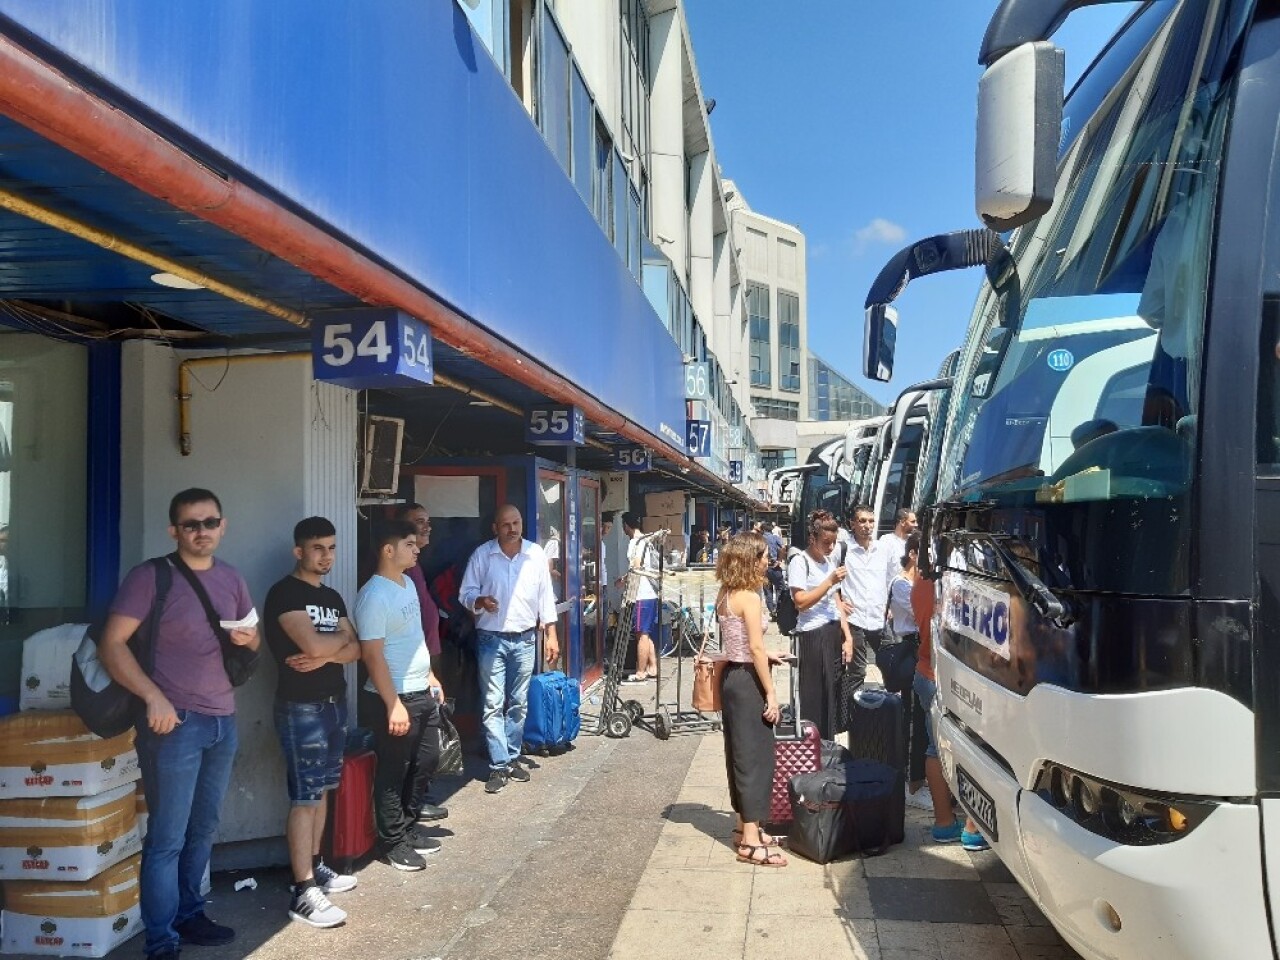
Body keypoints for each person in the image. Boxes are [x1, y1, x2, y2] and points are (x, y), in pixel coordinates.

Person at [100, 488, 258, 960]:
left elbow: (249, 643)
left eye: (210, 522)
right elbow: (112, 644)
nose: (201, 531)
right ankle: (162, 939)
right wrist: (153, 697)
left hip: (221, 720)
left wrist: (250, 642)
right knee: (167, 838)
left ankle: (191, 915)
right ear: (174, 530)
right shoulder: (152, 577)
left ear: (223, 525)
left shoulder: (231, 578)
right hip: (174, 724)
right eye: (191, 524)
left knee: (202, 829)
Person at [264, 517, 360, 929]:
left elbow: (357, 649)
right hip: (300, 707)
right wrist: (331, 646)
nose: (326, 556)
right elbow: (318, 642)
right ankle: (302, 890)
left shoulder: (334, 596)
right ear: (298, 551)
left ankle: (317, 866)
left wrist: (327, 654)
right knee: (304, 798)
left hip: (334, 703)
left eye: (331, 548)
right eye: (318, 548)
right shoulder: (285, 594)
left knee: (321, 791)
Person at [355, 520, 446, 871]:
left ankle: (408, 829)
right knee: (393, 773)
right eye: (410, 544)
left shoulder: (407, 583)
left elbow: (414, 638)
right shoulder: (373, 596)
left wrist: (430, 674)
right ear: (388, 550)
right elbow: (372, 655)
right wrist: (393, 704)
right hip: (393, 700)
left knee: (425, 763)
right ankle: (391, 843)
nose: (417, 548)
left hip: (421, 690)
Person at [458, 505, 559, 795]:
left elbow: (545, 597)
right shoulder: (482, 555)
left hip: (526, 639)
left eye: (516, 522)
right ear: (495, 528)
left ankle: (513, 756)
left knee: (518, 703)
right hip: (491, 638)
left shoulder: (535, 554)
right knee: (492, 703)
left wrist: (551, 634)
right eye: (506, 524)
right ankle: (498, 764)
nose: (512, 528)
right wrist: (479, 601)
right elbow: (465, 593)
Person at [716, 533, 789, 867]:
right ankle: (749, 839)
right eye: (762, 556)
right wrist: (771, 693)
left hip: (731, 675)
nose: (767, 560)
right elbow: (755, 648)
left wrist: (765, 653)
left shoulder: (726, 594)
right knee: (755, 757)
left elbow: (740, 643)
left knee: (739, 752)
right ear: (750, 559)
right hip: (748, 683)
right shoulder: (750, 596)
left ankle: (744, 826)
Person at [911, 550, 988, 851]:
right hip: (952, 677)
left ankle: (944, 822)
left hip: (925, 672)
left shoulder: (919, 583)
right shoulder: (956, 585)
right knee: (971, 749)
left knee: (934, 748)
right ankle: (973, 826)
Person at [787, 509, 853, 739]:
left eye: (834, 542)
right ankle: (812, 747)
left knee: (831, 696)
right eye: (826, 542)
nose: (831, 547)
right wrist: (829, 581)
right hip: (812, 635)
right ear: (812, 539)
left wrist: (847, 636)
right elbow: (800, 602)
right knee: (814, 698)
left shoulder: (827, 562)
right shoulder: (799, 562)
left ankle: (827, 746)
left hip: (832, 632)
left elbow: (836, 600)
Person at [841, 504, 895, 690]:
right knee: (857, 672)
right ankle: (852, 714)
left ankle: (892, 711)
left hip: (879, 617)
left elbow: (892, 578)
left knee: (891, 664)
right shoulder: (843, 550)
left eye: (871, 521)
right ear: (852, 524)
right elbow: (831, 580)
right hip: (854, 619)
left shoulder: (883, 549)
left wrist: (891, 605)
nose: (867, 525)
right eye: (862, 521)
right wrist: (839, 602)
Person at [394, 503, 442, 659]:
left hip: (426, 652)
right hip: (412, 657)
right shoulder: (397, 566)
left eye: (428, 523)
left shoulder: (413, 564)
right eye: (420, 522)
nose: (428, 528)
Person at [879, 532, 922, 697]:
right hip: (909, 646)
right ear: (912, 554)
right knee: (910, 695)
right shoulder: (901, 584)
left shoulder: (920, 582)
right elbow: (920, 612)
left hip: (920, 644)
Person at [618, 512, 659, 683]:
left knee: (641, 633)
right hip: (651, 592)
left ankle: (641, 671)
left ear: (626, 525)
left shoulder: (636, 542)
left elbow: (636, 566)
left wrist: (624, 580)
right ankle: (653, 667)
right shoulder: (647, 541)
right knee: (646, 632)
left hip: (642, 594)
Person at [877, 510, 917, 574]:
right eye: (913, 522)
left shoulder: (914, 540)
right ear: (903, 522)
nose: (916, 525)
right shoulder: (886, 540)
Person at [761, 523, 785, 619]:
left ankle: (772, 610)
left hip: (764, 568)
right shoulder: (775, 538)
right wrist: (779, 560)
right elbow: (783, 548)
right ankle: (778, 608)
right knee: (780, 587)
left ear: (763, 530)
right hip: (775, 567)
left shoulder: (760, 539)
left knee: (767, 591)